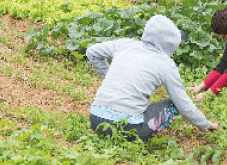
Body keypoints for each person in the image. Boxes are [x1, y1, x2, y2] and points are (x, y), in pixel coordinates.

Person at [86, 14, 219, 141]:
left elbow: (92, 52)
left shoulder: (125, 44)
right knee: (173, 105)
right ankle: (145, 133)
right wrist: (206, 124)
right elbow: (182, 103)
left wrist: (108, 75)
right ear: (171, 42)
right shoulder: (165, 63)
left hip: (96, 120)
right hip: (129, 129)